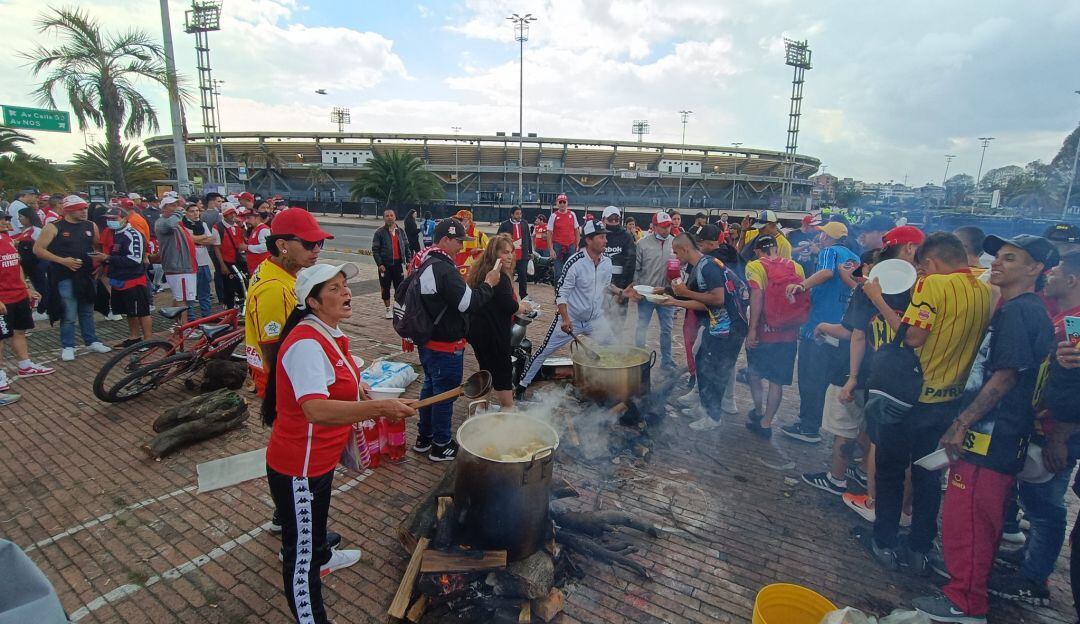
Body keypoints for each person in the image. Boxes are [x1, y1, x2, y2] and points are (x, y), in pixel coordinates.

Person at [913, 235, 1057, 623]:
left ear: (1035, 270)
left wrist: (961, 423)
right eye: (999, 256)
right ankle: (966, 580)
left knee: (971, 517)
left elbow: (1005, 376)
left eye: (1011, 259)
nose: (998, 263)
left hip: (992, 436)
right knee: (979, 519)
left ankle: (964, 602)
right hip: (999, 434)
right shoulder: (1020, 307)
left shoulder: (1020, 313)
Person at [262, 261, 415, 624]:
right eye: (333, 288)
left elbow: (338, 380)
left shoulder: (328, 333)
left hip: (321, 460)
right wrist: (378, 407)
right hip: (299, 467)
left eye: (345, 285)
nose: (346, 292)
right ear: (312, 302)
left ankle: (323, 554)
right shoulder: (305, 344)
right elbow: (314, 409)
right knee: (300, 561)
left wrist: (359, 388)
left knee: (315, 528)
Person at [862, 232, 991, 574]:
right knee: (927, 476)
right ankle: (920, 546)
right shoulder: (984, 291)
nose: (919, 274)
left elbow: (913, 337)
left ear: (930, 263)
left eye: (922, 268)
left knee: (891, 471)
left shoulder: (932, 286)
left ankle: (885, 541)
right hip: (948, 400)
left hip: (912, 396)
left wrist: (877, 299)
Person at [987, 250, 1080, 606]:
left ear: (1071, 281)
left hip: (1059, 433)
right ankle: (1030, 556)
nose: (1049, 276)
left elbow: (1075, 387)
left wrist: (1060, 436)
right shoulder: (1059, 315)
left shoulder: (1076, 323)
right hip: (1043, 426)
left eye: (1055, 272)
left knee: (1046, 506)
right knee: (1034, 500)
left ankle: (1034, 577)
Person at [837, 228, 923, 523]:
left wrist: (852, 377)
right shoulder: (926, 286)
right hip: (921, 376)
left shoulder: (872, 288)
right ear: (911, 250)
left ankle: (875, 503)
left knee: (881, 442)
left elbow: (859, 337)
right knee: (908, 448)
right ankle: (904, 509)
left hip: (886, 376)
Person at [412, 218, 500, 460]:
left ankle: (424, 437)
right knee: (446, 394)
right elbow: (467, 303)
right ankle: (441, 445)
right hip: (445, 346)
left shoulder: (424, 261)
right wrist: (488, 284)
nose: (461, 247)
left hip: (428, 342)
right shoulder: (443, 268)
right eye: (458, 241)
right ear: (445, 240)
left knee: (430, 389)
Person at [781, 221, 860, 443]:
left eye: (823, 234)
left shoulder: (830, 251)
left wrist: (802, 285)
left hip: (817, 328)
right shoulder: (855, 256)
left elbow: (825, 272)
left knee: (810, 379)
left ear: (829, 237)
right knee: (825, 381)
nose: (821, 238)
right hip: (842, 329)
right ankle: (822, 425)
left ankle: (808, 426)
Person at [517, 220, 615, 396]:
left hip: (595, 320)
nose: (606, 240)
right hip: (571, 319)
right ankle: (522, 386)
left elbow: (605, 287)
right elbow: (561, 294)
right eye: (602, 237)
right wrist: (566, 318)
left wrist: (620, 293)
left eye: (605, 236)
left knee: (614, 348)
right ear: (589, 240)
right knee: (544, 351)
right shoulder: (575, 262)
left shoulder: (607, 263)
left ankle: (614, 384)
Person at [661, 233, 748, 431]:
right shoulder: (700, 266)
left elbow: (717, 299)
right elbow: (703, 302)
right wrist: (675, 299)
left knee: (715, 372)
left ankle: (713, 417)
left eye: (676, 252)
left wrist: (684, 293)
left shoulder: (708, 266)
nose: (675, 257)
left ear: (685, 249)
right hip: (717, 325)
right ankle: (703, 407)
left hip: (729, 328)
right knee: (702, 362)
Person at [245, 208, 330, 398]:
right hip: (286, 385)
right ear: (282, 244)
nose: (316, 249)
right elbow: (274, 351)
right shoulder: (275, 289)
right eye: (309, 243)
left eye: (319, 242)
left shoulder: (272, 267)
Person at [33, 195, 112, 361]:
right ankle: (68, 345)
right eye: (80, 209)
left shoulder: (91, 225)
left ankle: (91, 340)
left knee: (87, 309)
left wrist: (100, 266)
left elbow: (98, 247)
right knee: (68, 312)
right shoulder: (53, 227)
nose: (84, 211)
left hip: (87, 274)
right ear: (69, 210)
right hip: (64, 275)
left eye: (85, 208)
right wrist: (63, 261)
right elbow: (38, 250)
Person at [742, 235, 806, 439]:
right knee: (776, 382)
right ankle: (766, 423)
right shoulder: (796, 266)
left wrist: (752, 330)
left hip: (764, 332)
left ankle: (759, 409)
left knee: (754, 373)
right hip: (788, 333)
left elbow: (757, 295)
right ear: (776, 249)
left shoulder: (755, 266)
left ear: (758, 251)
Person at [466, 234, 534, 408]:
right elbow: (509, 306)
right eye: (505, 252)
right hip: (493, 333)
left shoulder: (480, 271)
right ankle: (508, 409)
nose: (510, 256)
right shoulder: (499, 278)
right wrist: (522, 306)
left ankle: (481, 408)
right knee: (502, 371)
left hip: (477, 332)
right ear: (494, 254)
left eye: (511, 252)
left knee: (486, 369)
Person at [0, 211, 54, 393]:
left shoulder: (7, 239)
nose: (5, 222)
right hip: (3, 298)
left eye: (6, 219)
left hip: (18, 295)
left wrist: (26, 289)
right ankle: (0, 375)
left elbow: (17, 267)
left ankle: (25, 365)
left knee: (19, 331)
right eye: (2, 219)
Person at [626, 211, 679, 371]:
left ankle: (667, 361)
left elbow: (681, 266)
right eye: (662, 227)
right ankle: (639, 357)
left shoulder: (675, 243)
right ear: (654, 226)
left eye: (668, 226)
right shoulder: (642, 244)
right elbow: (636, 269)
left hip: (666, 293)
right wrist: (636, 289)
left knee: (667, 328)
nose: (666, 229)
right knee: (642, 326)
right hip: (646, 293)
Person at [101, 206, 152, 346]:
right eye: (108, 219)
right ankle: (134, 337)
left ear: (124, 218)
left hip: (134, 279)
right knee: (129, 312)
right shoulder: (116, 233)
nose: (110, 221)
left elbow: (134, 259)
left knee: (142, 311)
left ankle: (148, 341)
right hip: (119, 279)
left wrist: (108, 258)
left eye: (114, 218)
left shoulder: (132, 234)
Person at [154, 195, 199, 325]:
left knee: (181, 298)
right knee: (182, 299)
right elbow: (169, 224)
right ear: (164, 208)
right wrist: (180, 209)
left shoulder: (177, 223)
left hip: (185, 266)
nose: (176, 208)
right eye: (172, 205)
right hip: (178, 267)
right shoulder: (162, 222)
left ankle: (177, 326)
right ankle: (183, 328)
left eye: (176, 205)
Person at [600, 206, 636, 332]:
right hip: (601, 281)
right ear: (604, 219)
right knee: (601, 318)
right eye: (611, 218)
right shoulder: (599, 235)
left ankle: (616, 345)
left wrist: (622, 289)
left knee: (619, 318)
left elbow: (630, 261)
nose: (614, 221)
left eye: (616, 219)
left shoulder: (626, 236)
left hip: (621, 280)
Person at [372, 209, 412, 320]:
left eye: (391, 215)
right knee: (385, 287)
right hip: (385, 266)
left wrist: (408, 261)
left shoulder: (401, 231)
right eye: (387, 216)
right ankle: (388, 309)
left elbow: (407, 247)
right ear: (384, 218)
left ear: (395, 217)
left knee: (400, 288)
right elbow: (375, 250)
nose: (389, 217)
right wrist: (380, 264)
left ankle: (397, 308)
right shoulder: (379, 232)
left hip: (398, 264)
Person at [182, 203, 218, 318]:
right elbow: (188, 240)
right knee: (190, 293)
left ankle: (206, 315)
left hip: (203, 260)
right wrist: (202, 238)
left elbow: (212, 239)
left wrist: (196, 239)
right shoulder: (182, 225)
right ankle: (191, 318)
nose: (195, 213)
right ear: (186, 213)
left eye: (197, 210)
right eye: (192, 211)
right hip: (190, 262)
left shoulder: (202, 224)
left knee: (205, 291)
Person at [214, 204, 248, 309]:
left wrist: (242, 226)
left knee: (242, 284)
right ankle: (229, 309)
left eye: (234, 213)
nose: (233, 216)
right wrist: (222, 265)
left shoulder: (238, 226)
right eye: (230, 214)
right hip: (227, 261)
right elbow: (217, 248)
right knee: (229, 287)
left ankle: (242, 307)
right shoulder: (218, 228)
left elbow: (245, 238)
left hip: (239, 260)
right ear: (224, 215)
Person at [497, 206, 532, 298]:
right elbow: (498, 238)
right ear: (512, 214)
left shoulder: (524, 223)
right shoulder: (505, 225)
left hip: (523, 255)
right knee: (509, 276)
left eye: (520, 213)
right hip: (510, 255)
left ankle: (524, 295)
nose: (519, 215)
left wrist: (530, 252)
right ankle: (509, 295)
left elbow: (528, 238)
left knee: (523, 277)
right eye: (517, 214)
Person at [547, 194, 580, 282]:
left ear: (567, 203)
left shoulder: (572, 214)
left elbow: (576, 230)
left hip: (571, 246)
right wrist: (551, 249)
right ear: (557, 203)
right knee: (558, 273)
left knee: (571, 271)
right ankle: (558, 294)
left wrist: (578, 245)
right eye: (560, 202)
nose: (562, 204)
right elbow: (549, 233)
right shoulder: (553, 216)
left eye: (564, 202)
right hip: (558, 247)